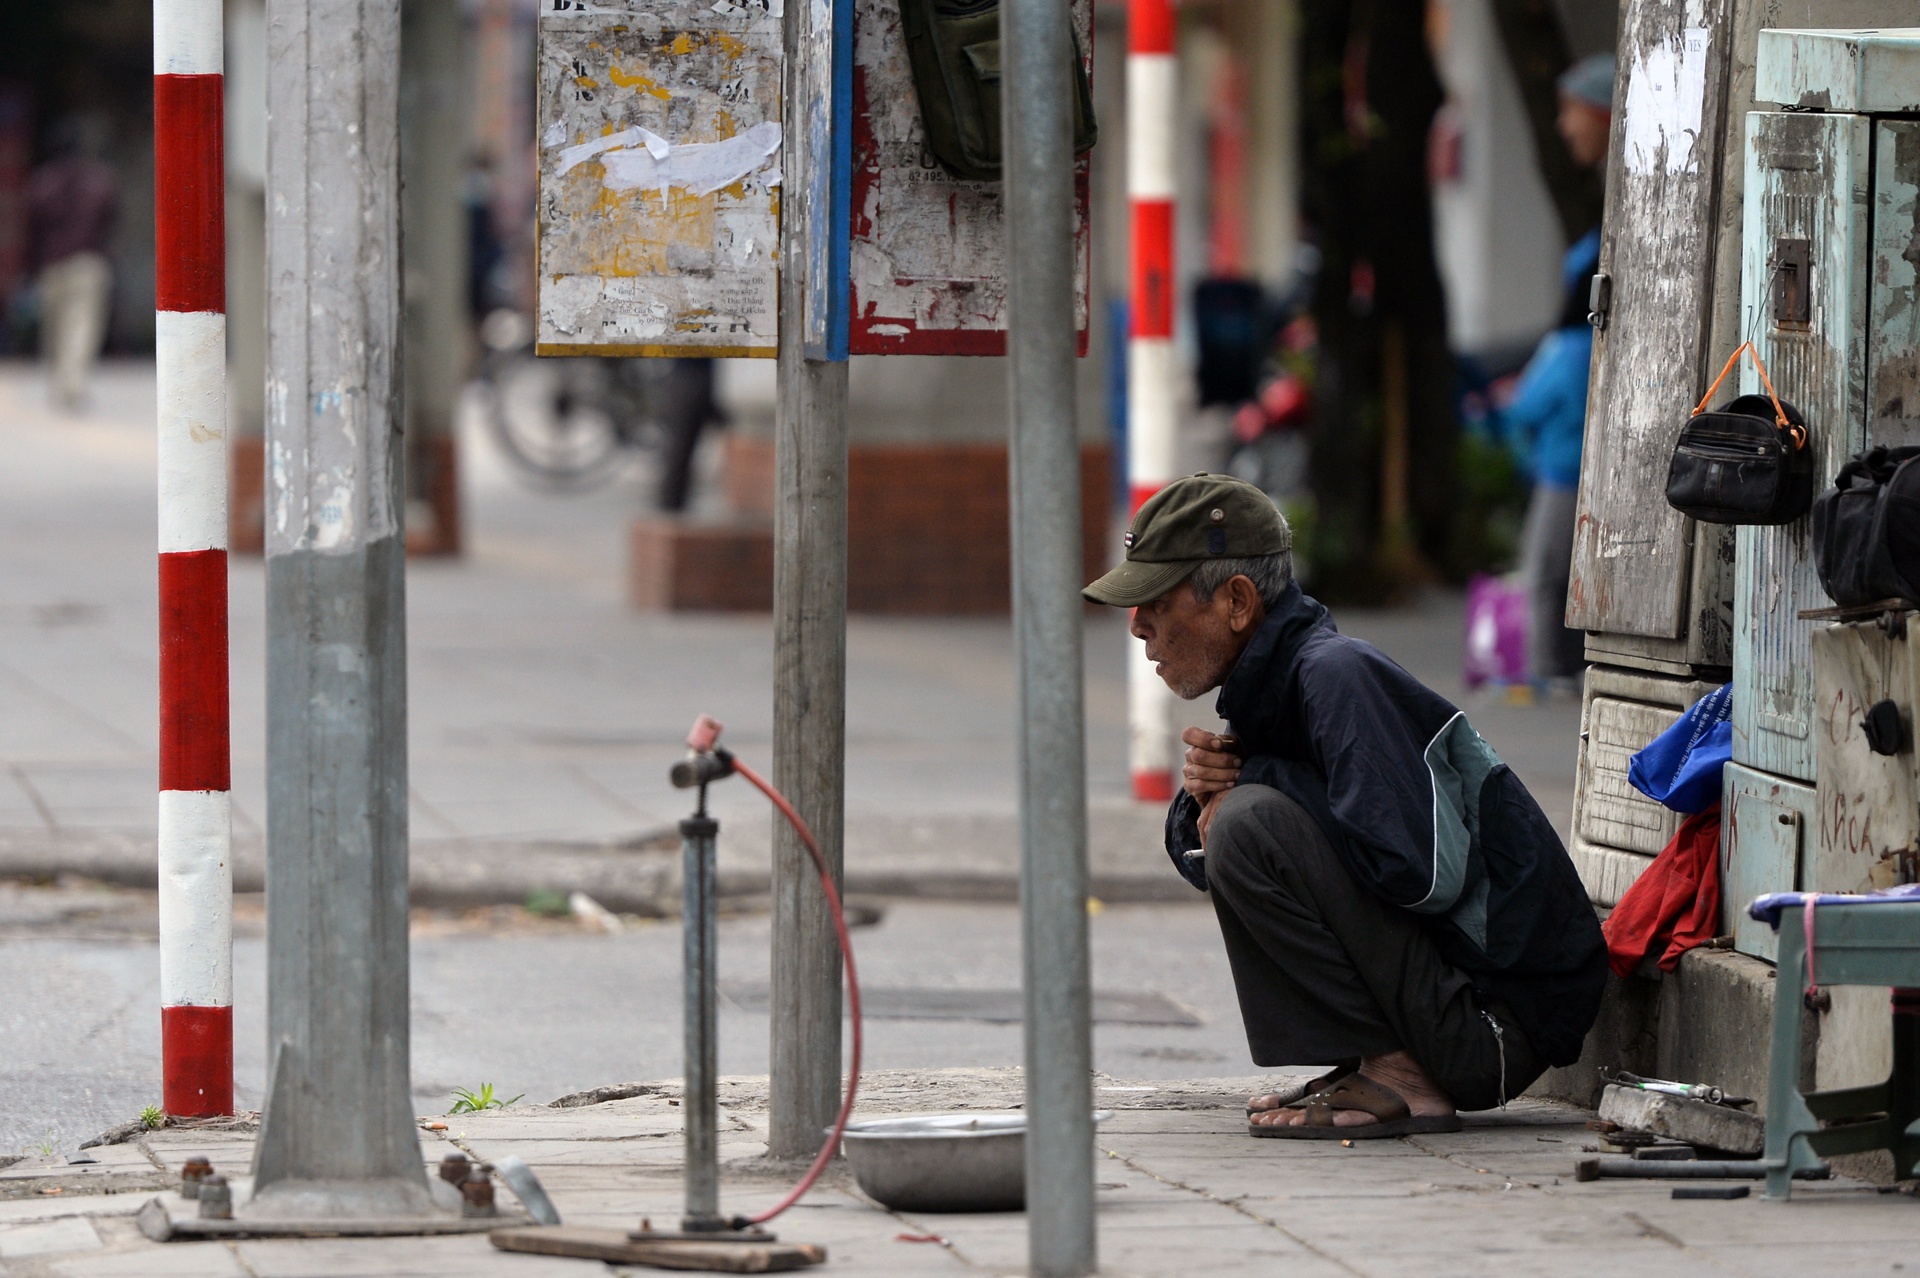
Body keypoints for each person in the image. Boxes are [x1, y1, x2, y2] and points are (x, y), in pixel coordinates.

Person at [1084, 474, 1606, 1137]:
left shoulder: (1335, 674)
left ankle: (1403, 1077)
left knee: (1249, 825)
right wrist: (1203, 800)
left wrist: (1251, 783)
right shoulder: (1271, 685)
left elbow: (1415, 874)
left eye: (1155, 603)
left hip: (1493, 1029)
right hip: (1454, 1007)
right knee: (1241, 826)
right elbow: (1233, 861)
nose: (1138, 628)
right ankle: (1376, 1060)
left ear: (1238, 602)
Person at [1504, 54, 1614, 688]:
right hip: (1572, 444)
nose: (1563, 126)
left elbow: (1550, 380)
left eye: (1572, 111)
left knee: (1549, 565)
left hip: (1568, 452)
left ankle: (1555, 673)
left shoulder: (1571, 349)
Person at [27, 117, 119, 412]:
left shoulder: (42, 183)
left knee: (54, 328)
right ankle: (73, 383)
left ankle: (60, 382)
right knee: (82, 326)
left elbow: (32, 230)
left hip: (53, 264)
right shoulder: (99, 181)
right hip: (88, 262)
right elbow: (111, 220)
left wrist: (30, 268)